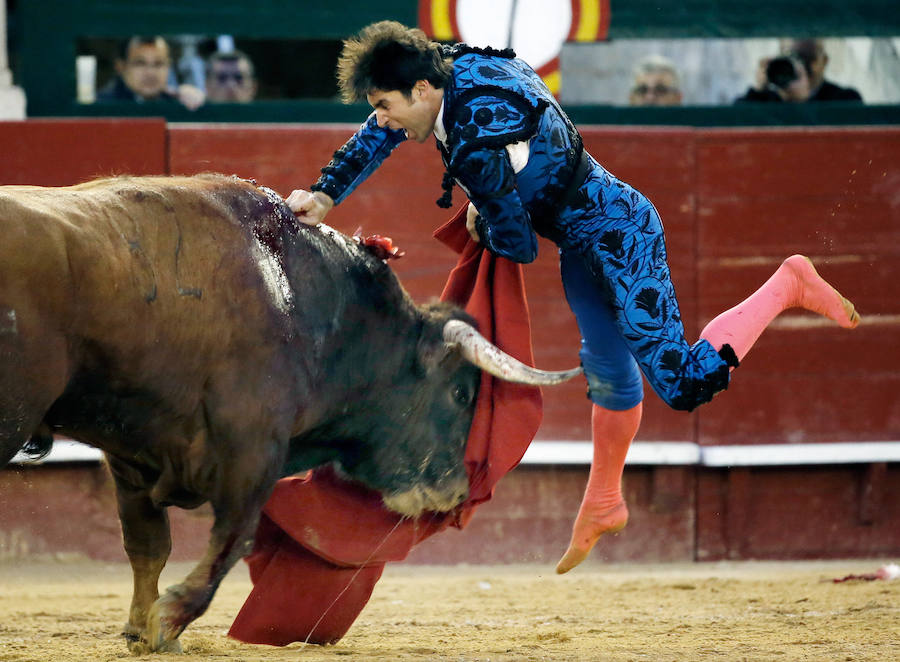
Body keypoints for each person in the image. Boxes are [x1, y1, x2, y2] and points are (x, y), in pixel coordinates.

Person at [285, 21, 860, 574]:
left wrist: (483, 220)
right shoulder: (446, 66)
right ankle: (605, 501)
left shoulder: (474, 138)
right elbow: (381, 132)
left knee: (683, 383)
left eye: (385, 104)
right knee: (609, 372)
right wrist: (325, 194)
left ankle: (789, 283)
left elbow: (516, 242)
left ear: (421, 90)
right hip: (582, 239)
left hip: (621, 235)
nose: (381, 118)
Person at [96, 36, 205, 110]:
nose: (150, 72)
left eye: (158, 64)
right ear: (121, 67)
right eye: (140, 63)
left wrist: (194, 103)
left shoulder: (177, 102)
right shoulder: (102, 105)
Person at [786, 39, 863, 102]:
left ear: (824, 60)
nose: (803, 65)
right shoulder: (782, 97)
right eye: (796, 57)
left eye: (810, 57)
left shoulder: (845, 98)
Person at [734, 54, 810, 103]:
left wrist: (801, 99)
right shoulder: (766, 99)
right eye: (780, 70)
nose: (783, 75)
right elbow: (737, 116)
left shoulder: (819, 100)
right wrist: (758, 91)